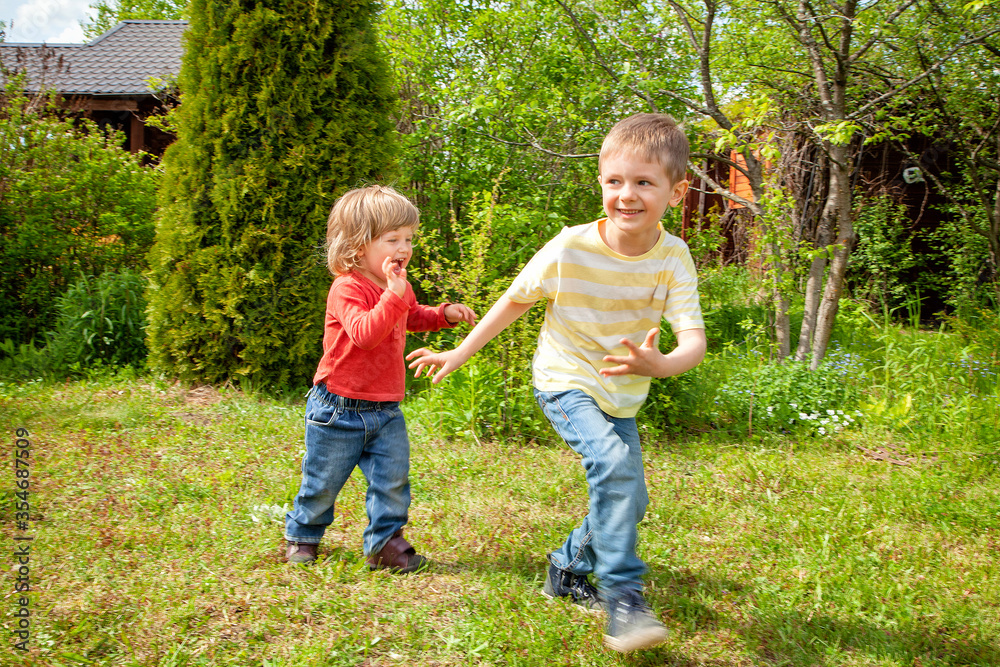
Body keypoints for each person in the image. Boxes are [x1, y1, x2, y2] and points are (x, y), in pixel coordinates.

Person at [407, 114, 706, 652]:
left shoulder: (673, 257)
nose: (627, 194)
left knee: (631, 499)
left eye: (644, 182)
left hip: (621, 395)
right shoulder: (570, 246)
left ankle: (566, 569)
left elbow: (693, 342)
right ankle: (624, 598)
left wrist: (660, 365)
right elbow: (515, 300)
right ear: (600, 183)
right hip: (564, 380)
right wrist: (460, 350)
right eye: (614, 181)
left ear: (676, 192)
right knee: (613, 466)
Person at [284, 185, 476, 571]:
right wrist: (394, 294)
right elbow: (365, 333)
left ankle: (386, 545)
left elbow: (409, 315)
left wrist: (442, 314)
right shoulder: (347, 288)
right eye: (392, 239)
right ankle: (303, 535)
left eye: (409, 239)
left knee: (392, 481)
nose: (404, 248)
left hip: (386, 409)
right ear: (358, 247)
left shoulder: (397, 287)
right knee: (322, 481)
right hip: (338, 409)